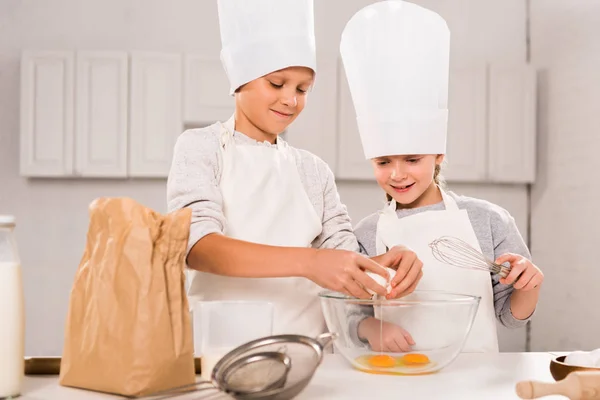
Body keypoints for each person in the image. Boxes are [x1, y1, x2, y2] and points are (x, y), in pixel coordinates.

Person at [166, 0, 423, 338]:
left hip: (306, 351)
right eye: (277, 83)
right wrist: (309, 261)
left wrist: (383, 265)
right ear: (240, 80)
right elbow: (198, 248)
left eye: (303, 89)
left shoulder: (313, 170)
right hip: (220, 351)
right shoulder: (201, 147)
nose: (291, 99)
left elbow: (341, 256)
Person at [339, 0, 543, 352]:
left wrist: (530, 285)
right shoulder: (366, 234)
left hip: (475, 377)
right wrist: (371, 327)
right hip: (396, 378)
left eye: (413, 159)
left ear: (438, 155)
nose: (398, 174)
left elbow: (510, 316)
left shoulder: (488, 220)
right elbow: (349, 316)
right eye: (383, 162)